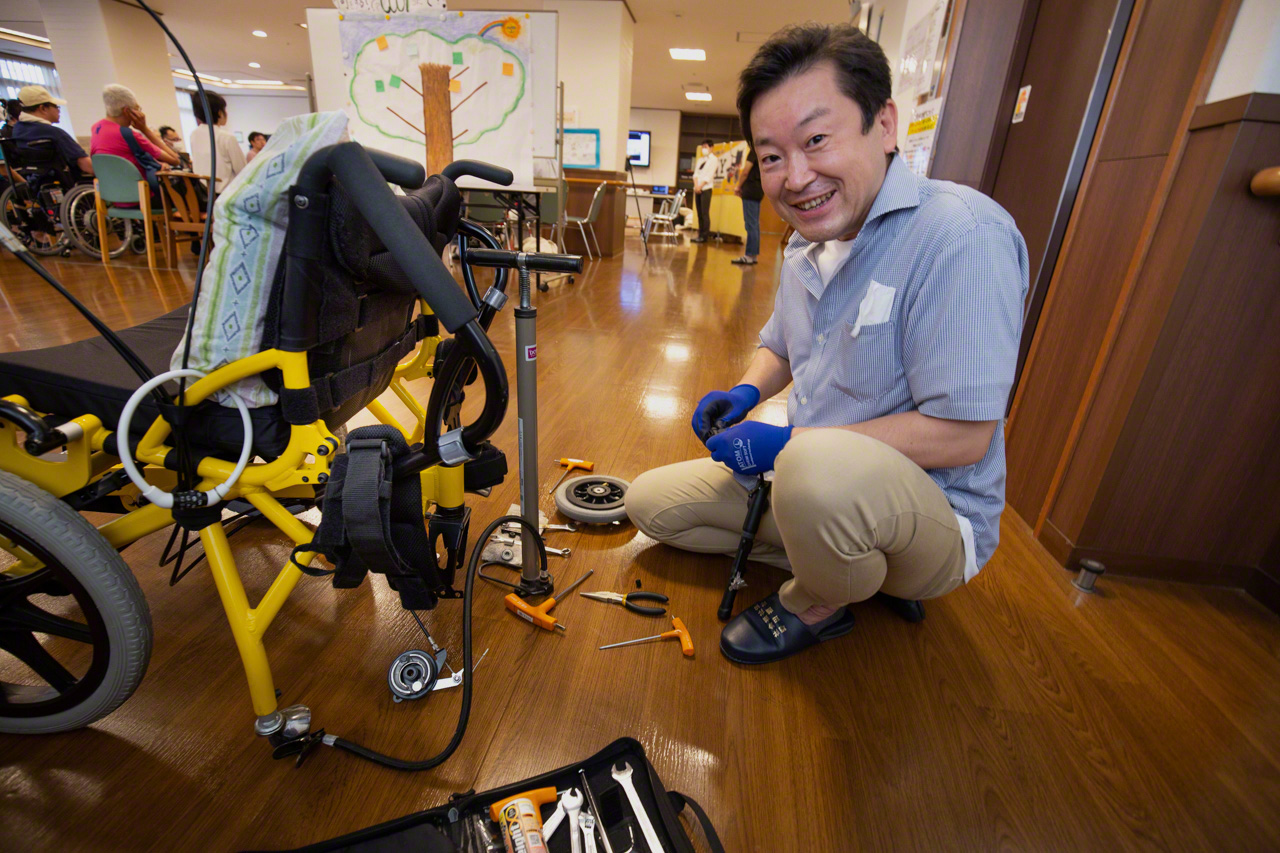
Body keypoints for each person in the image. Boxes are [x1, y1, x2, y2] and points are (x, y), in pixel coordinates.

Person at [626, 23, 1029, 665]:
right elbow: (783, 348)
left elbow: (963, 437)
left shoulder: (960, 235)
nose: (795, 176)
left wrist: (792, 447)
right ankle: (848, 553)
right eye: (773, 155)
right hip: (814, 476)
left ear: (885, 124)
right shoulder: (804, 244)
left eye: (816, 140)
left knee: (815, 473)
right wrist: (746, 390)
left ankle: (820, 597)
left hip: (934, 514)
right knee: (652, 505)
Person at [90, 84, 182, 174]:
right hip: (141, 188)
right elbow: (175, 160)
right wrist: (144, 128)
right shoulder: (127, 134)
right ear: (127, 111)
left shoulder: (96, 128)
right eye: (136, 108)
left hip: (111, 187)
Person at [11, 84, 93, 178]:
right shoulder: (54, 133)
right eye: (56, 106)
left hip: (34, 183)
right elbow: (87, 166)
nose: (59, 110)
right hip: (67, 182)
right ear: (43, 108)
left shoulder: (17, 130)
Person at [188, 91, 244, 194]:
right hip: (225, 196)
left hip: (203, 194)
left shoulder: (194, 135)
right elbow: (243, 171)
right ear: (219, 112)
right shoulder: (226, 137)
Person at [731, 146, 763, 265]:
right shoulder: (762, 150)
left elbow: (745, 172)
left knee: (751, 224)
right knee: (754, 224)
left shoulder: (754, 151)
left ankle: (749, 255)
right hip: (758, 189)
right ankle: (753, 255)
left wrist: (738, 186)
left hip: (750, 190)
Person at [690, 139, 717, 244]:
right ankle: (699, 234)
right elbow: (695, 174)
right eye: (702, 147)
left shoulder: (713, 160)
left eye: (706, 147)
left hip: (706, 189)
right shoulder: (700, 159)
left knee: (705, 213)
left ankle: (704, 236)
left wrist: (700, 186)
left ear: (711, 147)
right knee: (699, 213)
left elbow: (709, 176)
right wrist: (696, 186)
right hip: (697, 189)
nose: (704, 149)